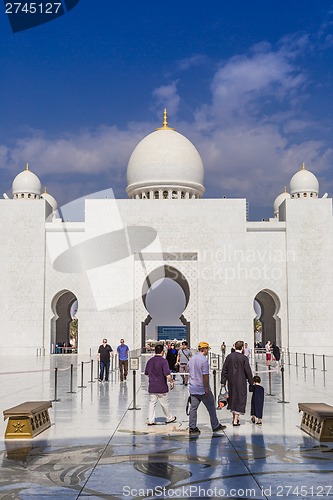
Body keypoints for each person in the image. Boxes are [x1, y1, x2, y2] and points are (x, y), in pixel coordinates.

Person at [188, 341, 226, 435]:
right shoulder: (203, 360)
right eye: (207, 349)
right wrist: (207, 389)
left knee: (193, 408)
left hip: (193, 387)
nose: (208, 351)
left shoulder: (192, 359)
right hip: (202, 389)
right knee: (211, 407)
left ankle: (192, 427)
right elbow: (205, 376)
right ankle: (215, 425)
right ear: (204, 349)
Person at [221, 340, 253, 426]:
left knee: (232, 398)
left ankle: (234, 417)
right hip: (241, 381)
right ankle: (235, 419)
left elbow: (224, 369)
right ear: (242, 348)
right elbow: (248, 371)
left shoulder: (229, 357)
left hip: (231, 381)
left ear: (234, 347)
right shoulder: (244, 358)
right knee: (240, 399)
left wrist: (223, 381)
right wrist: (251, 382)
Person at [144, 344, 177, 426]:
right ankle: (169, 417)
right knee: (165, 403)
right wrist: (171, 382)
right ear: (162, 352)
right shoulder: (163, 361)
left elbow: (147, 373)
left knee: (152, 403)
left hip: (152, 386)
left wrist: (152, 378)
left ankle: (151, 420)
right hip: (162, 386)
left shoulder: (150, 361)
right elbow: (167, 374)